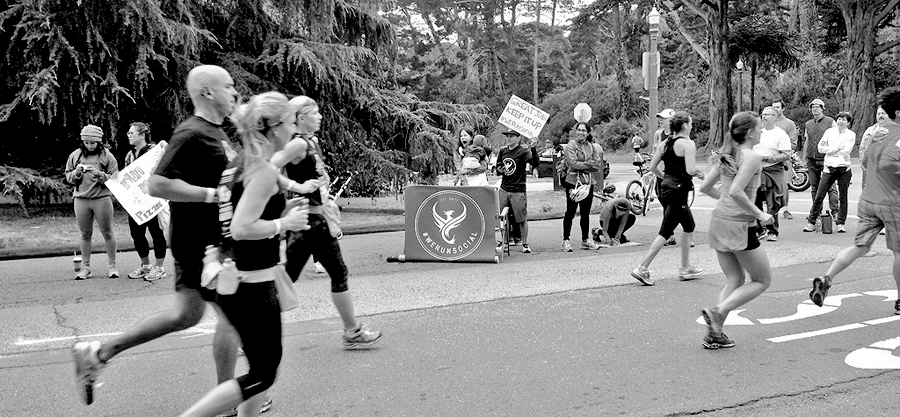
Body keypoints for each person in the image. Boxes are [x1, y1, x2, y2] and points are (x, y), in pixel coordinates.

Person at [71, 65, 250, 412]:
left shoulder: (218, 132)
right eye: (228, 87)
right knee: (231, 317)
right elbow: (157, 184)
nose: (235, 93)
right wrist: (212, 195)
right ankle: (226, 400)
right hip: (201, 243)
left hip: (206, 240)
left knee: (185, 316)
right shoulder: (191, 133)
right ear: (207, 92)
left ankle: (98, 353)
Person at [178, 91, 310, 417]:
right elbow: (241, 227)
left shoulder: (238, 163)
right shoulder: (262, 170)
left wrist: (281, 207)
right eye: (292, 122)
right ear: (275, 127)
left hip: (234, 279)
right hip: (252, 285)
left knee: (258, 368)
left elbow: (239, 209)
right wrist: (285, 221)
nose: (295, 130)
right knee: (264, 373)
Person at [274, 95, 383, 349]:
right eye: (315, 112)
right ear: (301, 117)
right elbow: (267, 167)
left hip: (317, 218)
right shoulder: (297, 145)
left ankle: (352, 330)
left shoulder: (311, 142)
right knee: (290, 279)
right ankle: (251, 331)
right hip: (308, 221)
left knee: (333, 273)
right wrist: (296, 186)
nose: (320, 116)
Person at [809, 87, 900, 314]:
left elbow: (866, 159)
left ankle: (826, 278)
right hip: (893, 202)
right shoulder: (898, 135)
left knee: (860, 245)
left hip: (870, 198)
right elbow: (889, 163)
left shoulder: (878, 132)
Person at [698, 111, 775, 349]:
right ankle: (718, 311)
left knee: (735, 278)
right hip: (739, 224)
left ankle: (715, 332)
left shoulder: (729, 153)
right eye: (760, 127)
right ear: (750, 132)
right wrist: (759, 213)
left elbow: (706, 187)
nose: (762, 131)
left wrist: (728, 204)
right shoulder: (751, 156)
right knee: (762, 280)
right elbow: (736, 192)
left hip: (720, 220)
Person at [631, 111, 704, 285]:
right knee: (665, 231)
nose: (692, 126)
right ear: (685, 125)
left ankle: (685, 267)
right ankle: (642, 267)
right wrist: (701, 175)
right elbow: (691, 170)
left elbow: (652, 167)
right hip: (679, 191)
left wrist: (666, 178)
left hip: (665, 188)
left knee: (689, 225)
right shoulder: (688, 144)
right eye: (691, 124)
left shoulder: (664, 144)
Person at [64, 124, 120, 280]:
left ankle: (112, 266)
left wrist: (100, 175)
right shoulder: (75, 156)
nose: (89, 145)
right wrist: (77, 173)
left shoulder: (107, 157)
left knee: (107, 232)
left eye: (93, 143)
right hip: (81, 199)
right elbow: (68, 176)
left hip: (102, 198)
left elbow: (116, 179)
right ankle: (86, 267)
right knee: (85, 234)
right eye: (86, 142)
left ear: (99, 142)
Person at [124, 122, 168, 281]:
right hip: (136, 203)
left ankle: (160, 267)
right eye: (128, 133)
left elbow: (168, 160)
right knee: (136, 234)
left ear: (142, 135)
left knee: (156, 232)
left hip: (152, 199)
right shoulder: (129, 155)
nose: (128, 135)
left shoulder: (154, 150)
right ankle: (146, 265)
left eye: (131, 132)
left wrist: (165, 146)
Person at [805, 111, 856, 234]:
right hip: (829, 168)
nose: (841, 121)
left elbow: (847, 151)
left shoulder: (851, 134)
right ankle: (811, 222)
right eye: (839, 119)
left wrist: (833, 151)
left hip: (844, 168)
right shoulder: (829, 132)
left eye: (844, 119)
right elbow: (820, 148)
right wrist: (835, 149)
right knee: (819, 195)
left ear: (848, 123)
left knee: (843, 197)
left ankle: (841, 223)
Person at [561, 123, 603, 251]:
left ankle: (585, 240)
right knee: (571, 212)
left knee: (585, 213)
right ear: (575, 131)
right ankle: (566, 240)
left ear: (588, 133)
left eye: (583, 130)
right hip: (573, 182)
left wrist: (586, 164)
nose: (581, 133)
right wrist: (589, 164)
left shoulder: (591, 146)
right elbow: (572, 164)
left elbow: (597, 165)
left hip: (587, 183)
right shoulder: (571, 146)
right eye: (579, 130)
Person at [753, 107, 792, 241]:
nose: (764, 117)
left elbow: (787, 154)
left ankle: (772, 230)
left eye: (767, 115)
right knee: (755, 200)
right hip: (756, 171)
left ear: (775, 117)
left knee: (772, 202)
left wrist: (768, 158)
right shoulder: (758, 132)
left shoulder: (780, 134)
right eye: (763, 114)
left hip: (773, 171)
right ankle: (759, 228)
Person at [496, 128, 538, 254]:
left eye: (511, 136)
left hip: (518, 189)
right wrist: (500, 170)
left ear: (518, 138)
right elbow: (498, 167)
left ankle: (525, 244)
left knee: (521, 218)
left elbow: (534, 162)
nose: (508, 138)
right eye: (507, 136)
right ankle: (504, 242)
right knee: (501, 218)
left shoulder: (523, 151)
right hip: (504, 188)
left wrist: (534, 148)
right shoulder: (503, 151)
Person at [802, 98, 839, 227]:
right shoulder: (808, 124)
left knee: (831, 187)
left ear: (823, 108)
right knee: (814, 188)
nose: (815, 109)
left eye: (817, 107)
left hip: (827, 159)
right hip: (812, 160)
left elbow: (837, 138)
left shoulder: (830, 122)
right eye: (812, 107)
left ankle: (835, 212)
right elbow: (807, 140)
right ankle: (816, 213)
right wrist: (804, 157)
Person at [772, 99, 798, 219]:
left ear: (783, 109)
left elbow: (793, 142)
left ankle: (785, 209)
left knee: (784, 185)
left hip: (783, 158)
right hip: (769, 159)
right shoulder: (766, 123)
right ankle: (771, 210)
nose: (775, 109)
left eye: (777, 107)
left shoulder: (789, 124)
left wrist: (782, 152)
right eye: (773, 107)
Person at [859, 106, 889, 189]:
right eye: (879, 114)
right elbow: (862, 147)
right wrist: (862, 162)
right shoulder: (870, 130)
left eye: (883, 113)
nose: (881, 116)